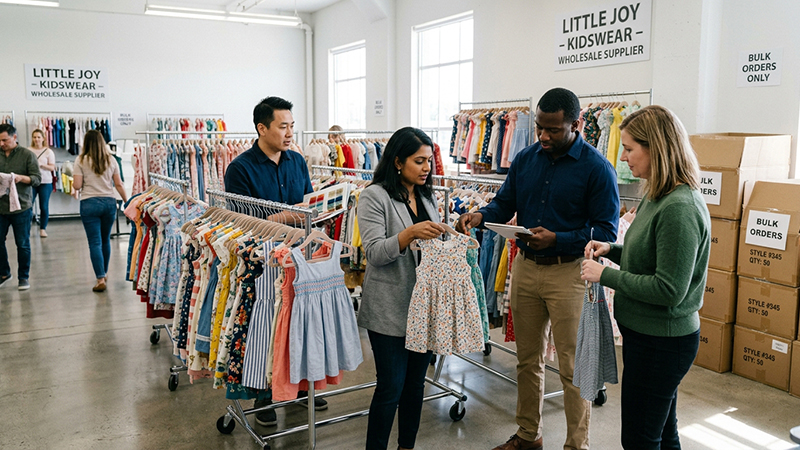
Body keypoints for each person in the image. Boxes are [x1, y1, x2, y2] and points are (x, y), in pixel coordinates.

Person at [456, 88, 619, 450]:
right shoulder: (527, 158)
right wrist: (481, 216)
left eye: (553, 130)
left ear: (576, 125)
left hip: (570, 273)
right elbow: (504, 203)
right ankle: (529, 436)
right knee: (527, 361)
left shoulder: (597, 168)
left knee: (574, 366)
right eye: (540, 129)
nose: (543, 136)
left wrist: (560, 238)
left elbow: (607, 231)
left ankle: (577, 445)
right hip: (526, 269)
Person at [580, 105, 710, 450]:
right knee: (662, 433)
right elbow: (648, 258)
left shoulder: (679, 207)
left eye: (629, 148)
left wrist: (605, 275)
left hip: (663, 342)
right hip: (648, 337)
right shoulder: (657, 195)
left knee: (639, 439)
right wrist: (612, 250)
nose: (623, 158)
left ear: (656, 148)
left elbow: (668, 289)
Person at [223, 96, 325, 426]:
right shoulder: (240, 168)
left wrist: (312, 213)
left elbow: (307, 203)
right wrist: (281, 217)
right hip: (264, 262)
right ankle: (263, 394)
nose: (290, 132)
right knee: (265, 327)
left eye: (292, 126)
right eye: (283, 126)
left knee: (301, 324)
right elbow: (239, 221)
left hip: (299, 255)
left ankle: (299, 385)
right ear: (262, 128)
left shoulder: (297, 161)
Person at [357, 127, 445, 450]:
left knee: (414, 387)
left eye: (429, 161)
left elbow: (431, 243)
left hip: (423, 307)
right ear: (397, 161)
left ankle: (406, 446)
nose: (426, 168)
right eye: (419, 161)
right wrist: (410, 234)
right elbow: (375, 253)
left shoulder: (426, 196)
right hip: (389, 308)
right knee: (390, 387)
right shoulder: (373, 196)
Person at [72, 130, 128, 293]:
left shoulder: (80, 160)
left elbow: (76, 185)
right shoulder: (111, 160)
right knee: (105, 240)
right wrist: (127, 202)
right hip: (109, 203)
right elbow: (119, 184)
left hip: (89, 203)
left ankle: (100, 278)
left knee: (94, 242)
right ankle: (104, 272)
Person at [0, 124, 41, 291]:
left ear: (14, 137)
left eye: (5, 140)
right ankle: (4, 273)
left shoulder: (27, 155)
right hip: (0, 207)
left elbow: (36, 179)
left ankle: (23, 277)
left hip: (21, 207)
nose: (1, 143)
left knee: (22, 244)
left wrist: (19, 178)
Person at [29, 129, 56, 238]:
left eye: (38, 137)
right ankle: (27, 228)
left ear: (43, 138)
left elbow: (52, 167)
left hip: (45, 182)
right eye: (34, 137)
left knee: (43, 206)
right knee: (28, 206)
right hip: (31, 181)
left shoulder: (48, 152)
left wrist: (40, 165)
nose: (36, 139)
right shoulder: (28, 151)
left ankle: (43, 228)